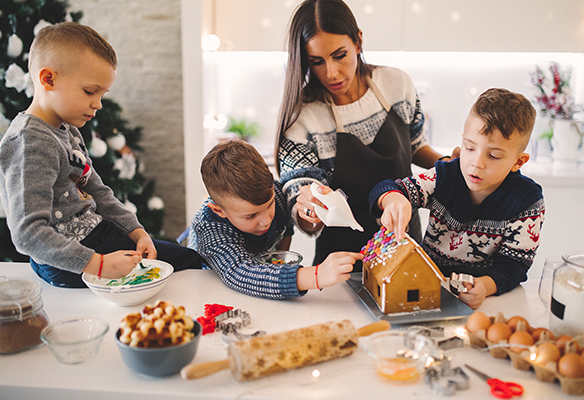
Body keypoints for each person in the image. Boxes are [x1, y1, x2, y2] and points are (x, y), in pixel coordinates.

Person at [0, 22, 202, 288]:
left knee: (181, 260)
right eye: (90, 91)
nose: (98, 104)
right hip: (69, 261)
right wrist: (99, 265)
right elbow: (28, 234)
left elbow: (98, 191)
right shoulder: (29, 142)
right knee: (187, 263)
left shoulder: (66, 130)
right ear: (49, 79)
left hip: (97, 235)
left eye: (102, 94)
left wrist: (137, 232)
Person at [275, 0, 456, 270]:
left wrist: (454, 166)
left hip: (405, 243)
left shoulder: (396, 84)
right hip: (342, 265)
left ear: (358, 42)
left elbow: (417, 146)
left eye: (339, 55)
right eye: (317, 62)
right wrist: (309, 209)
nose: (331, 73)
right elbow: (304, 210)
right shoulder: (302, 119)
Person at [370, 88, 545, 309]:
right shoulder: (445, 176)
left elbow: (514, 266)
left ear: (518, 162)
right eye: (470, 147)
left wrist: (483, 286)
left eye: (493, 155)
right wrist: (393, 199)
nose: (476, 163)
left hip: (485, 302)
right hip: (427, 286)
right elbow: (387, 189)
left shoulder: (527, 200)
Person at [187, 139, 362, 299]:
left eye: (269, 205)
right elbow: (240, 273)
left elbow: (285, 230)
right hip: (213, 295)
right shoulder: (208, 227)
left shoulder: (277, 193)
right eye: (251, 216)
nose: (266, 220)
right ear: (219, 211)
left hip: (263, 291)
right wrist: (316, 275)